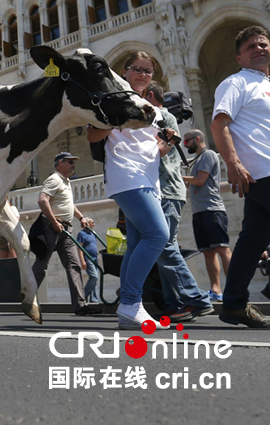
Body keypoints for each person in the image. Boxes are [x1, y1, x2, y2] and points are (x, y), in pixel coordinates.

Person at [211, 26, 270, 328]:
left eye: (263, 44)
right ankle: (234, 304)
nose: (259, 48)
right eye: (251, 46)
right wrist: (232, 163)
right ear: (239, 57)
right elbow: (219, 124)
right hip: (265, 172)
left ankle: (233, 305)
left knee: (253, 241)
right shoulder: (235, 83)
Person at [87, 51, 174, 330]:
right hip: (125, 175)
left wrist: (166, 143)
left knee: (136, 245)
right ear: (124, 71)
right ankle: (131, 303)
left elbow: (153, 148)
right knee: (158, 234)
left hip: (149, 179)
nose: (143, 74)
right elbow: (92, 134)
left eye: (148, 71)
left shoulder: (154, 110)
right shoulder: (112, 101)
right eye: (137, 68)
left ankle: (129, 308)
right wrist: (118, 118)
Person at [144, 82, 213, 322]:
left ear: (149, 96)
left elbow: (154, 150)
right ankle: (175, 305)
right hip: (166, 191)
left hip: (167, 191)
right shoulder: (162, 118)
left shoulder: (160, 116)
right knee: (164, 247)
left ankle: (196, 299)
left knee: (163, 246)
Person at [32, 152, 101, 316]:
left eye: (73, 162)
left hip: (66, 230)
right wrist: (54, 222)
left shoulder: (66, 182)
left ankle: (80, 305)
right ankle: (27, 298)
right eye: (70, 162)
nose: (73, 165)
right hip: (51, 227)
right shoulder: (54, 179)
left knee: (74, 266)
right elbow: (42, 200)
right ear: (60, 163)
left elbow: (69, 204)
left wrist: (81, 217)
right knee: (41, 265)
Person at [181, 128, 231, 301]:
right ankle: (216, 290)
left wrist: (179, 177)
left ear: (198, 139)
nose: (185, 145)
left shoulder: (208, 155)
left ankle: (234, 288)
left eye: (186, 141)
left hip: (212, 209)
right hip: (199, 212)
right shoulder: (198, 160)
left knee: (222, 249)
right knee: (208, 252)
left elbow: (200, 180)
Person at [76, 227, 100, 304]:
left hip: (95, 258)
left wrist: (98, 257)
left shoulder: (93, 233)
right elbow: (80, 248)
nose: (93, 224)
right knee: (94, 276)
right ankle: (83, 295)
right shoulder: (81, 234)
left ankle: (94, 299)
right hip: (88, 258)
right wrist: (82, 260)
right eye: (92, 222)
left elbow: (94, 246)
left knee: (94, 279)